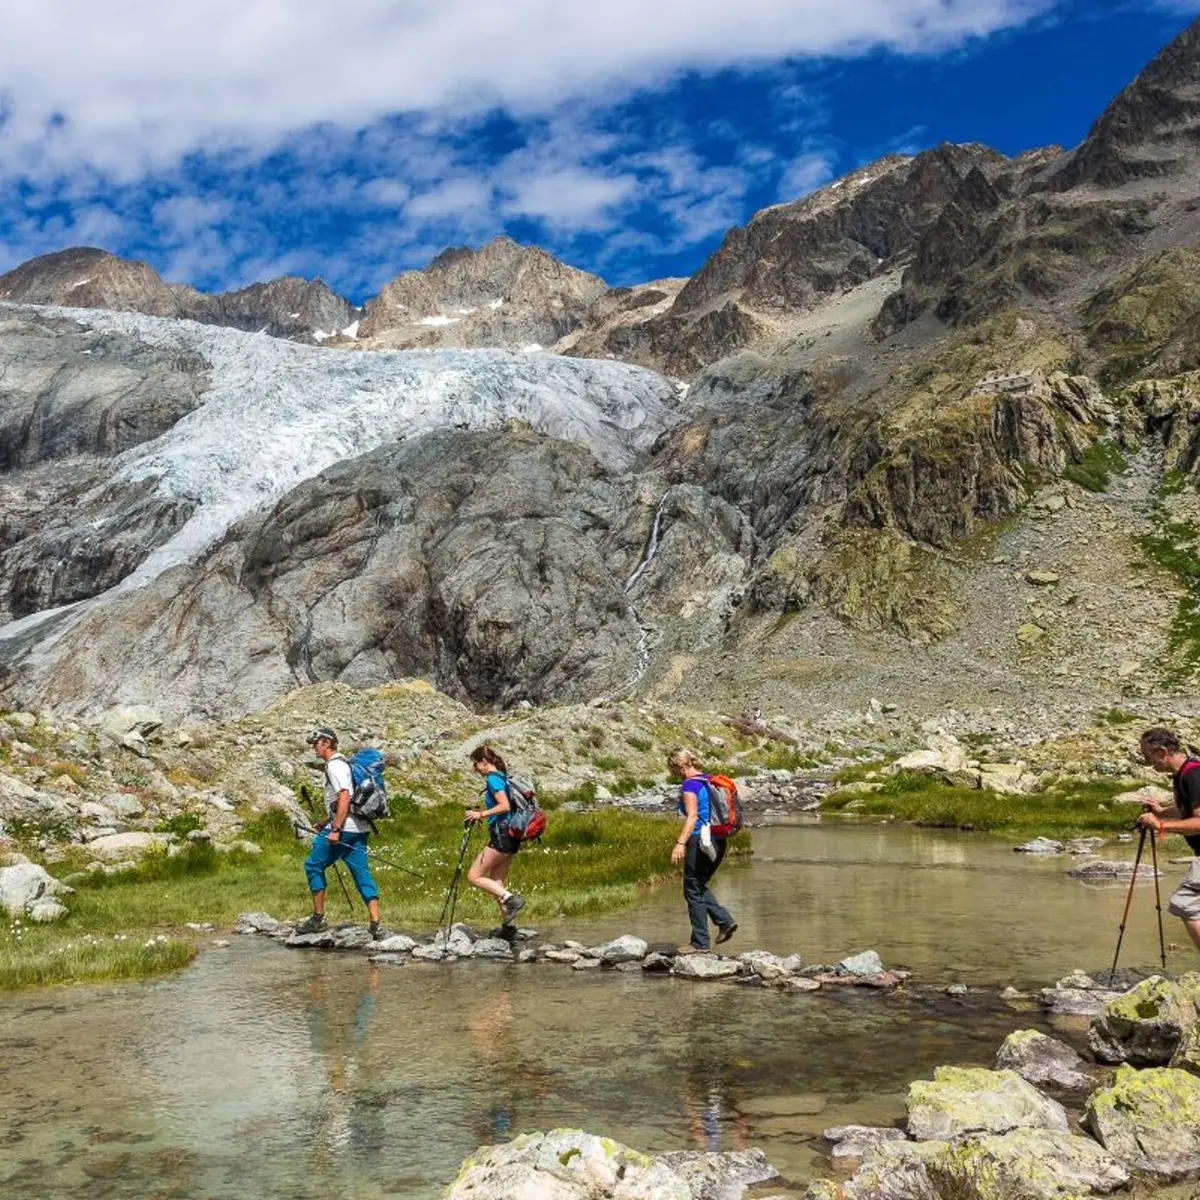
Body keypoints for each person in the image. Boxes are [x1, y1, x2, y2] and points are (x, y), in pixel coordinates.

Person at [296, 726, 383, 939]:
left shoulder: (334, 766)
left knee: (313, 866)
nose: (313, 748)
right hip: (359, 829)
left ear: (327, 743)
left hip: (343, 830)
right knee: (361, 873)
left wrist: (335, 829)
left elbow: (344, 796)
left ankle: (317, 919)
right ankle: (375, 923)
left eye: (316, 744)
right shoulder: (345, 764)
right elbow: (345, 802)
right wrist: (325, 822)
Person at [1136, 727, 1200, 954]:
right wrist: (1162, 812)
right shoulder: (1184, 773)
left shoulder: (1193, 774)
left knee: (1184, 903)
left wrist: (1161, 826)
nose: (1147, 762)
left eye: (1148, 756)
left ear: (1162, 752)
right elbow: (1187, 810)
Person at [667, 748, 737, 954]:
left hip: (701, 840)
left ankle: (700, 943)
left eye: (673, 770)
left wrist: (680, 843)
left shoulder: (689, 784)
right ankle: (724, 922)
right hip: (718, 839)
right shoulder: (708, 779)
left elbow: (693, 816)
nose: (674, 774)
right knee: (696, 886)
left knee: (692, 888)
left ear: (679, 766)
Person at [464, 744, 525, 926]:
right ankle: (509, 926)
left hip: (502, 834)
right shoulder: (502, 776)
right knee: (496, 881)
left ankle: (512, 899)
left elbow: (504, 806)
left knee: (474, 876)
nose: (474, 769)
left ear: (484, 761)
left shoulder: (493, 779)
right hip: (512, 834)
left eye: (475, 764)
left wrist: (480, 814)